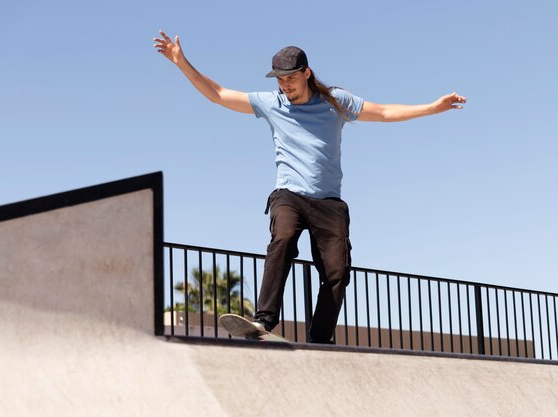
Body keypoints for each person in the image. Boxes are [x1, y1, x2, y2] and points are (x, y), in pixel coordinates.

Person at [153, 30, 466, 344]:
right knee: (284, 236)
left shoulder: (335, 101)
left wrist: (432, 108)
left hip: (329, 202)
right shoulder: (271, 103)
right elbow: (219, 93)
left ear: (306, 73)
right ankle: (264, 320)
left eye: (290, 78)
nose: (285, 86)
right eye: (280, 80)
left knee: (337, 272)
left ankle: (319, 338)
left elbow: (383, 112)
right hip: (289, 194)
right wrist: (182, 63)